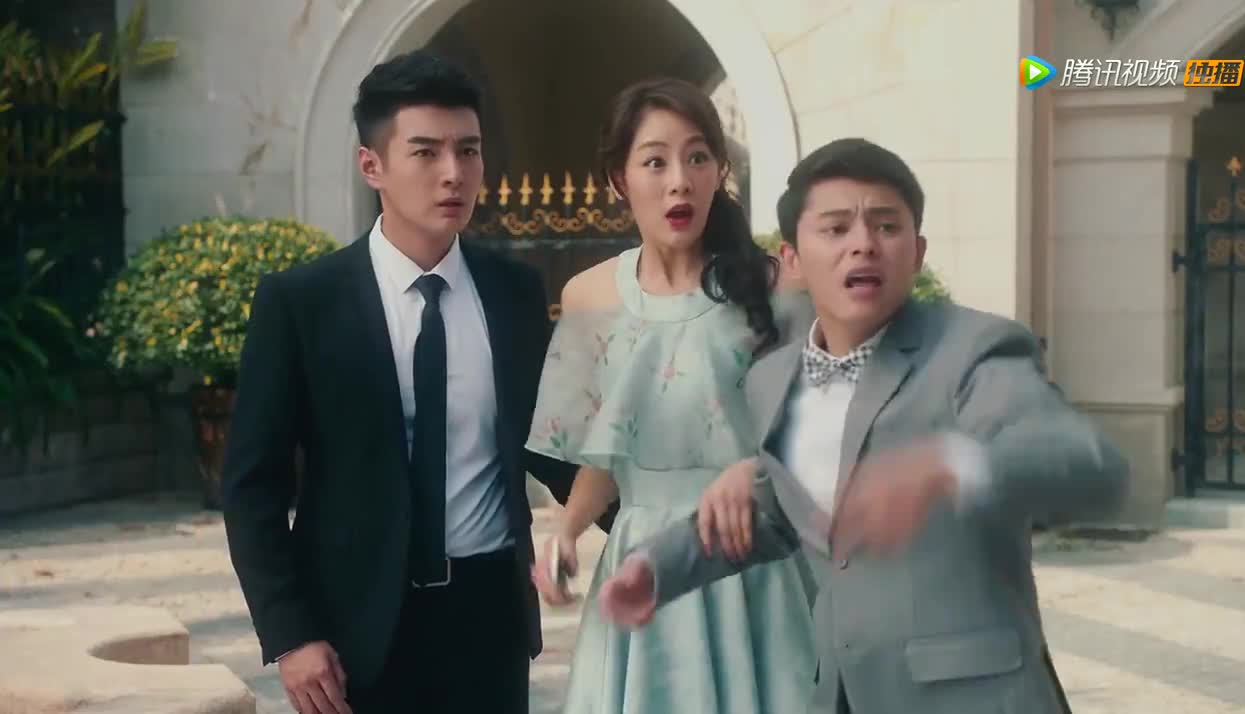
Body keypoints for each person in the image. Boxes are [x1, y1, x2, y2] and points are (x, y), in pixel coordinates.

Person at [596, 137, 1130, 714]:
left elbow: (1086, 464)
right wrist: (656, 568)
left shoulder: (974, 349)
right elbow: (777, 514)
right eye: (835, 228)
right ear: (792, 259)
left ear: (917, 252)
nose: (863, 245)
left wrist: (953, 465)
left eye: (886, 226)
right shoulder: (772, 378)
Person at [221, 51, 583, 714]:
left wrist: (648, 521)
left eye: (469, 150)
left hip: (489, 624)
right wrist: (290, 633)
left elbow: (553, 446)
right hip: (352, 632)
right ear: (372, 166)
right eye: (426, 152)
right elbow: (252, 486)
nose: (454, 173)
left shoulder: (514, 293)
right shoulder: (303, 302)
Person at [524, 77, 818, 713]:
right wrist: (567, 531)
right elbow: (604, 453)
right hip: (641, 562)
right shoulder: (588, 297)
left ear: (720, 171)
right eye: (655, 162)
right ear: (619, 179)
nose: (679, 181)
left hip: (751, 564)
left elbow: (819, 439)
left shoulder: (779, 289)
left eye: (697, 157)